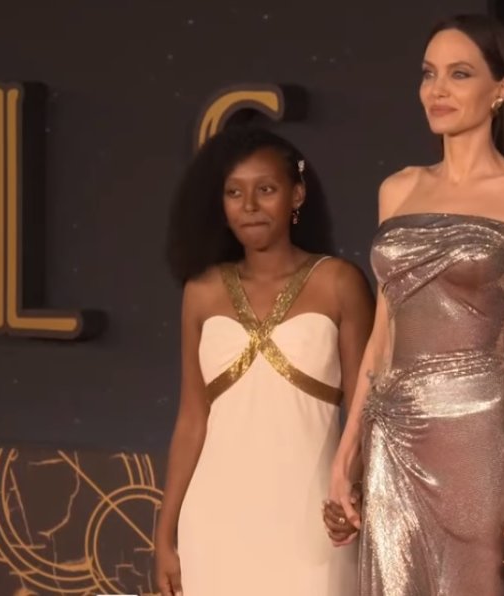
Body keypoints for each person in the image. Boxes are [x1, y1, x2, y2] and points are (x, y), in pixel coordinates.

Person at [321, 13, 504, 596]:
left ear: (501, 89)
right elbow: (383, 337)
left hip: (481, 436)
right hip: (393, 439)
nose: (437, 90)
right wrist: (346, 453)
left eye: (459, 74)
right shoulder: (397, 189)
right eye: (428, 73)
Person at [154, 126, 374, 596]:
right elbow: (191, 419)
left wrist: (353, 492)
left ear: (297, 195)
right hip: (213, 522)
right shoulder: (201, 291)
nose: (249, 205)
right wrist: (165, 535)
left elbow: (365, 412)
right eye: (234, 193)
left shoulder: (339, 283)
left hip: (314, 521)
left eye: (266, 190)